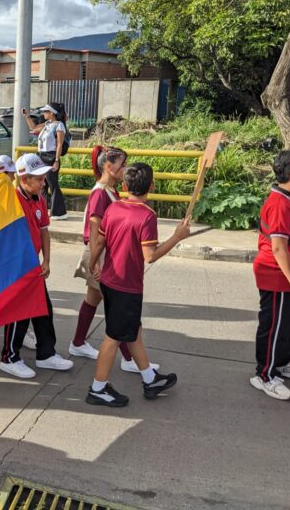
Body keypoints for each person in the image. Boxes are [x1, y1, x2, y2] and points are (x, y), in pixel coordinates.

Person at [86, 163, 188, 407]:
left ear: (124, 185)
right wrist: (177, 237)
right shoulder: (147, 216)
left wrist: (92, 264)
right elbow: (150, 256)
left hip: (110, 281)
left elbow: (99, 241)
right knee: (113, 336)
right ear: (151, 186)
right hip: (126, 286)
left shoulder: (113, 208)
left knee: (133, 332)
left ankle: (150, 378)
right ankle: (98, 388)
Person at [69, 146, 157, 373]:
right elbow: (95, 228)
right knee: (118, 308)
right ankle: (129, 358)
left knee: (98, 301)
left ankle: (79, 343)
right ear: (109, 167)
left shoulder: (110, 190)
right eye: (122, 164)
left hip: (103, 253)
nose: (125, 168)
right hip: (101, 254)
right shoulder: (100, 193)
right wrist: (96, 260)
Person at [0, 153, 74, 379]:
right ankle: (9, 358)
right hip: (16, 268)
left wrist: (47, 260)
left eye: (44, 178)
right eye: (39, 179)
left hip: (34, 266)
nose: (43, 183)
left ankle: (46, 354)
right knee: (18, 314)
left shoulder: (40, 198)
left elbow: (44, 231)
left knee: (43, 310)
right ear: (24, 179)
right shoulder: (10, 202)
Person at [251, 150, 290, 400]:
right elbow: (278, 247)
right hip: (276, 277)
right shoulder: (278, 204)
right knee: (274, 326)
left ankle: (280, 362)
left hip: (289, 276)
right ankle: (264, 374)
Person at [23, 103, 68, 220]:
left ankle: (59, 212)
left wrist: (57, 160)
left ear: (51, 113)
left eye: (45, 111)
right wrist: (27, 116)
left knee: (52, 183)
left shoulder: (59, 126)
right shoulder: (47, 124)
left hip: (51, 156)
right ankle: (42, 209)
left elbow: (59, 145)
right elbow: (33, 128)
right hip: (41, 156)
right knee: (42, 185)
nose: (44, 113)